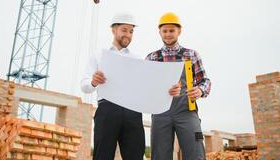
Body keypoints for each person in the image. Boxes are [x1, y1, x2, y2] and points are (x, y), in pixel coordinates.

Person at [146, 12, 211, 160]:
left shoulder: (191, 55)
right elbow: (146, 88)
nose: (168, 34)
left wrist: (200, 90)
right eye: (165, 31)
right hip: (160, 113)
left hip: (187, 112)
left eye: (172, 30)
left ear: (179, 31)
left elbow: (205, 81)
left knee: (196, 155)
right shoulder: (152, 58)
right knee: (160, 156)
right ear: (160, 32)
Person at [80, 12, 145, 160]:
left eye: (131, 31)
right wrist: (93, 81)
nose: (128, 35)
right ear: (113, 30)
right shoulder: (98, 55)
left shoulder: (137, 59)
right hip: (107, 110)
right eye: (124, 30)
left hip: (132, 111)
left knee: (135, 156)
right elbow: (84, 85)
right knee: (102, 155)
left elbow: (143, 88)